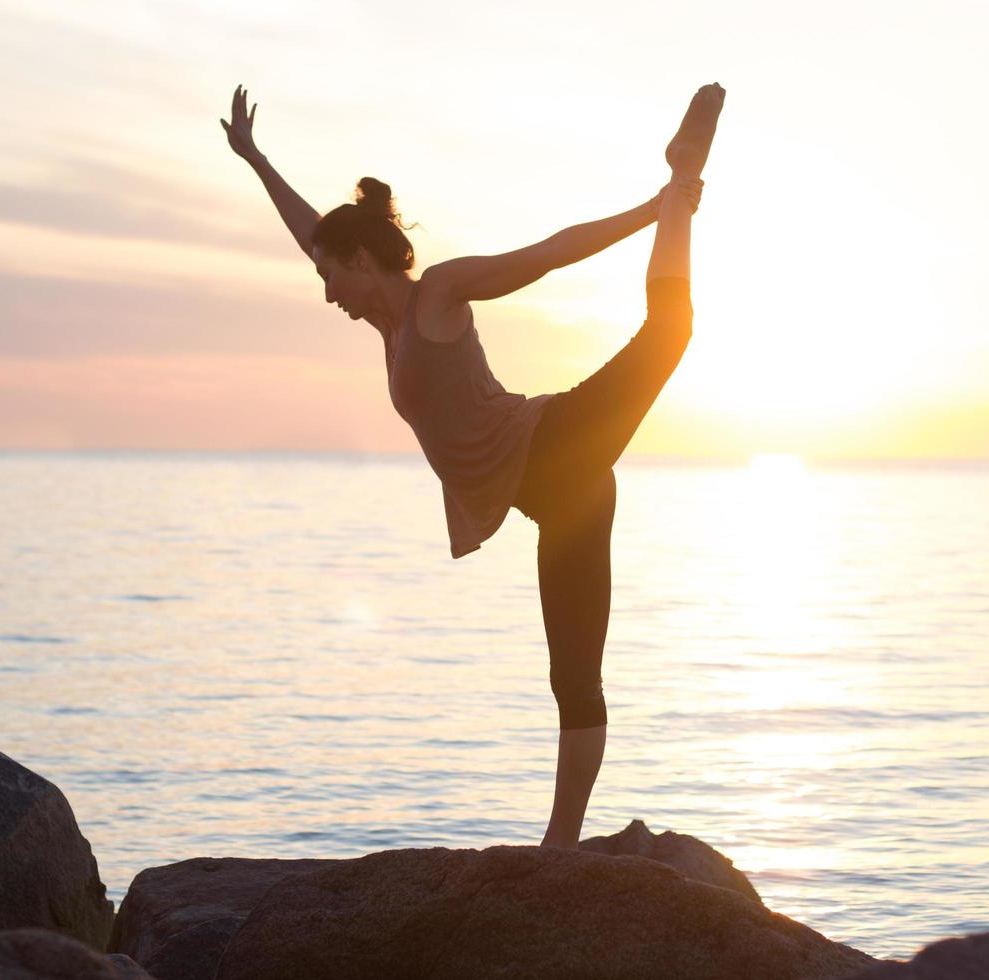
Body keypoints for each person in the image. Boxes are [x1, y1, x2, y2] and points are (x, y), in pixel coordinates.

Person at [222, 82, 725, 849]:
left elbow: (549, 254)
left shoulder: (439, 296)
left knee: (669, 333)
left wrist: (656, 208)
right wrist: (257, 160)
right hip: (563, 500)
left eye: (331, 277)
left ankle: (680, 180)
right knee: (573, 677)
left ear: (362, 260)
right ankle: (561, 847)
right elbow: (312, 235)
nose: (326, 295)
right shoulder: (386, 327)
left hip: (559, 442)